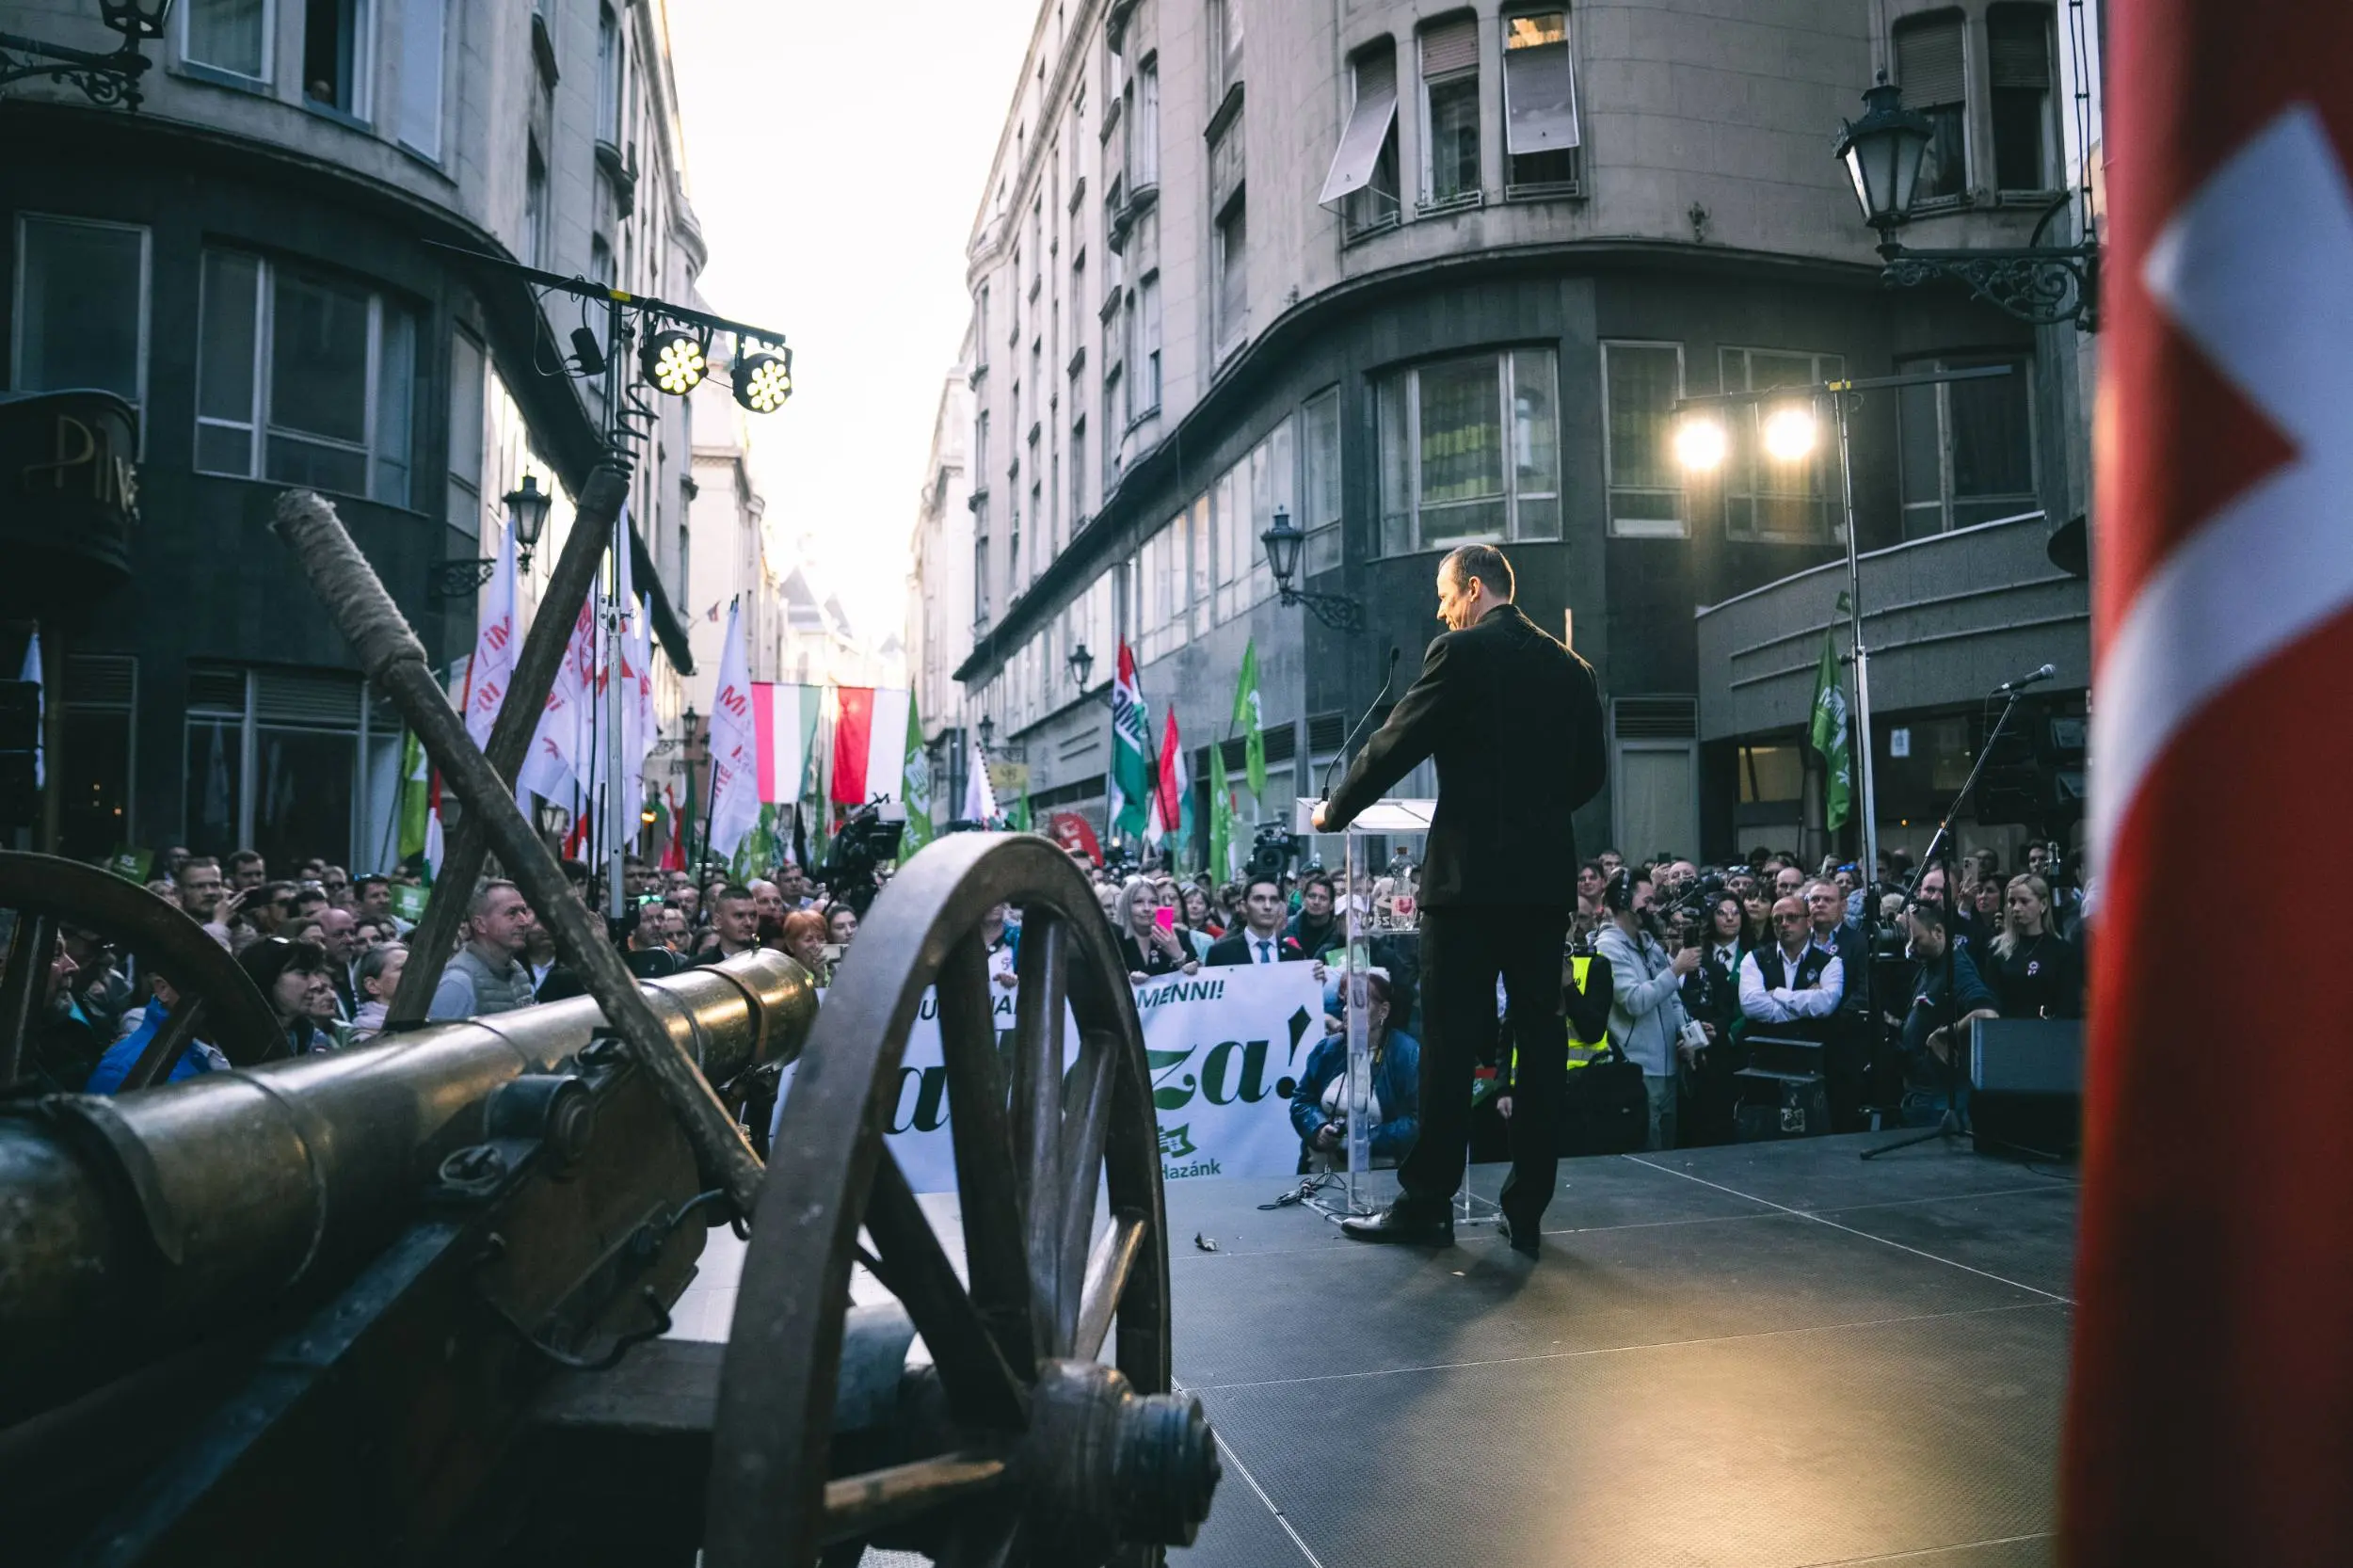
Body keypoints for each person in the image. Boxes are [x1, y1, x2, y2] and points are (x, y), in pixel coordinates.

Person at [1316, 542, 1607, 1255]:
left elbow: (1396, 742)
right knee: (1540, 1043)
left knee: (1447, 1045)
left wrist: (1336, 809)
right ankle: (1527, 1208)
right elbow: (1589, 777)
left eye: (1447, 596)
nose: (1443, 610)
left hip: (1466, 884)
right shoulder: (1573, 670)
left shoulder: (1462, 652)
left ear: (1474, 588)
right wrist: (1536, 816)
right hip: (1541, 884)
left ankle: (1426, 1205)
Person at [1595, 869, 1700, 1153]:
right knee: (1649, 1152)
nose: (1653, 908)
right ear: (1623, 901)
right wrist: (1676, 969)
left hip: (1669, 1069)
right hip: (1637, 1069)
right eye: (1648, 901)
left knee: (1669, 1149)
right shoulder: (1608, 948)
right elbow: (1634, 1001)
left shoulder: (1650, 946)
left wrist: (1689, 1036)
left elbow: (1672, 1000)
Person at [1290, 971, 1420, 1172]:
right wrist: (1318, 1128)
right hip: (1319, 1172)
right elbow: (1301, 1101)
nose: (1346, 1011)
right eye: (1345, 1003)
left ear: (1383, 1011)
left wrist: (1363, 1141)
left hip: (1382, 1176)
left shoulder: (1406, 1054)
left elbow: (1418, 1120)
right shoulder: (1326, 1050)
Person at [1895, 902, 2001, 1126]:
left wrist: (1945, 1033)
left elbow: (1987, 1013)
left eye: (1916, 940)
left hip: (1941, 1100)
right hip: (1921, 1093)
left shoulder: (1957, 968)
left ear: (1938, 932)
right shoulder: (1930, 965)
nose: (1910, 948)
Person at [426, 881, 538, 1020]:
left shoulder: (518, 971)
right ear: (480, 924)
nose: (525, 921)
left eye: (523, 911)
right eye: (512, 913)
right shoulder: (457, 983)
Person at [1986, 873, 2082, 1018]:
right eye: (2011, 901)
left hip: (2048, 1028)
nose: (2016, 908)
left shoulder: (2062, 951)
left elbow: (2068, 1005)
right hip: (2007, 1028)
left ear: (2043, 904)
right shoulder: (1997, 950)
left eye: (2024, 901)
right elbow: (1991, 1001)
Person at [240, 936, 336, 1055]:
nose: (317, 984)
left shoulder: (316, 1040)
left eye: (315, 973)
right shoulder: (232, 1043)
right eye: (304, 974)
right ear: (267, 978)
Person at [1205, 874, 1310, 967]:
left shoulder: (1294, 956)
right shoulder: (1220, 953)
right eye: (1259, 899)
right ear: (1244, 906)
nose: (1268, 906)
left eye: (1273, 900)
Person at [1116, 876, 1203, 980]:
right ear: (1125, 906)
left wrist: (1179, 957)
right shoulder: (1114, 939)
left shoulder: (1180, 936)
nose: (1147, 908)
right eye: (1138, 902)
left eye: (1153, 902)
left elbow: (1202, 978)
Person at [348, 944, 407, 1040]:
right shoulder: (365, 1040)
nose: (416, 971)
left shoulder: (420, 1019)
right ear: (372, 986)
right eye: (403, 968)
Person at [1285, 873, 1341, 961]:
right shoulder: (1288, 927)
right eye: (1312, 896)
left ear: (1331, 905)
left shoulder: (1340, 933)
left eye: (1323, 898)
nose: (1316, 902)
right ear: (1304, 899)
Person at [701, 885, 761, 962]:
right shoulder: (698, 966)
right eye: (739, 916)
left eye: (753, 916)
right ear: (718, 921)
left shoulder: (769, 963)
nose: (749, 923)